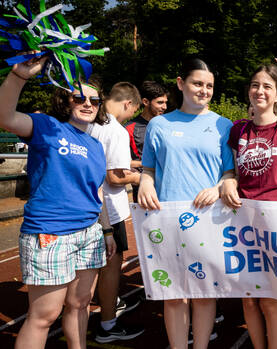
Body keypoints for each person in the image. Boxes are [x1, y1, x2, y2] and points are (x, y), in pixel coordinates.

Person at [0, 55, 110, 349]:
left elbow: (95, 192)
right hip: (50, 233)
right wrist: (19, 77)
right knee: (44, 315)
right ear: (66, 100)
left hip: (89, 233)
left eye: (95, 101)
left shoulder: (96, 145)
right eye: (79, 98)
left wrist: (107, 230)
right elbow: (5, 117)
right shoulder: (46, 126)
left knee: (80, 303)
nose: (88, 104)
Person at [138, 58, 235, 349]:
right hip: (165, 219)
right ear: (181, 84)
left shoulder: (223, 125)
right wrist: (144, 182)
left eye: (209, 86)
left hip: (207, 220)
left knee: (204, 293)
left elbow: (229, 173)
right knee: (174, 294)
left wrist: (219, 188)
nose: (203, 90)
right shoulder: (158, 124)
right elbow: (149, 169)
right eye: (197, 83)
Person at [221, 64, 277, 349]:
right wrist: (228, 181)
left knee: (269, 297)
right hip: (241, 220)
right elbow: (230, 170)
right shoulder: (238, 129)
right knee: (248, 297)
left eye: (267, 86)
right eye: (256, 85)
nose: (260, 91)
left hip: (274, 220)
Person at [88, 82, 144, 343]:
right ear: (128, 104)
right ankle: (108, 323)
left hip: (88, 207)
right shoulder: (116, 130)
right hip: (110, 208)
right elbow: (113, 177)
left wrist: (132, 163)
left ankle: (95, 311)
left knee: (90, 266)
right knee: (111, 264)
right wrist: (138, 178)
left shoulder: (88, 122)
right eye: (131, 112)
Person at [125, 80, 168, 202]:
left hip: (168, 187)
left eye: (165, 102)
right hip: (143, 189)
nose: (164, 107)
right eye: (160, 103)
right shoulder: (129, 129)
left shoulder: (169, 125)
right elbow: (120, 161)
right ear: (145, 102)